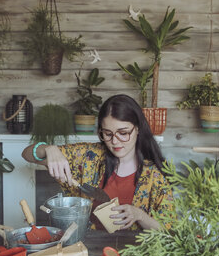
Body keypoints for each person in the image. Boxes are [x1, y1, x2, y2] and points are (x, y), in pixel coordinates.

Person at [21, 94, 172, 230]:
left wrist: (140, 215)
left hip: (136, 252)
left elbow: (170, 231)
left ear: (137, 129)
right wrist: (49, 149)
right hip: (88, 245)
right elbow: (26, 154)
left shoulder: (155, 175)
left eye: (123, 133)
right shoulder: (87, 156)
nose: (115, 141)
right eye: (107, 133)